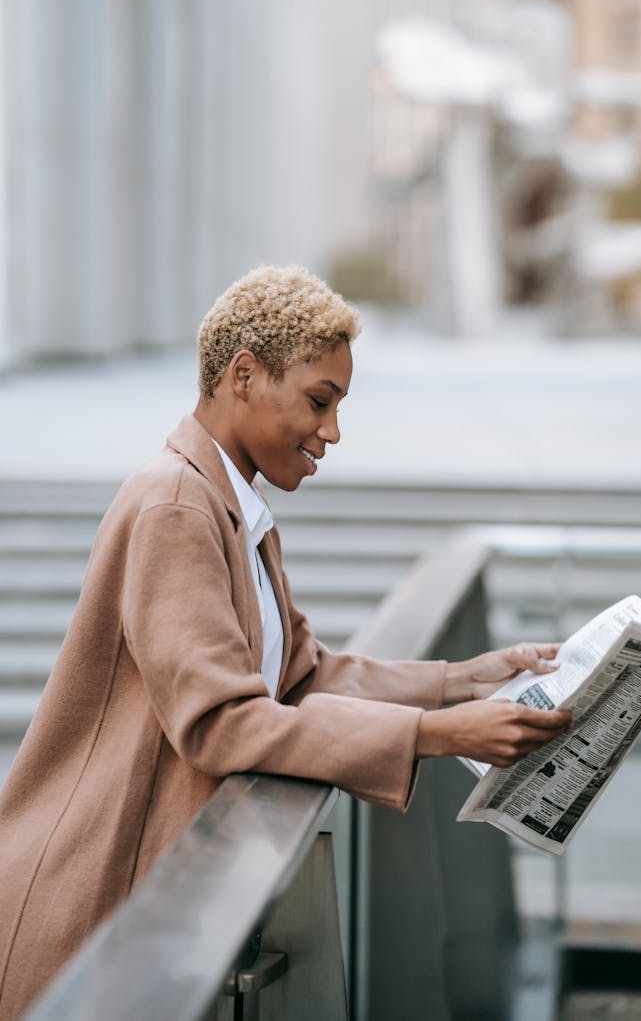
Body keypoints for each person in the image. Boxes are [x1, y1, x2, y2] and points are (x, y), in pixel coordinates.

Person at [0, 266, 571, 1018]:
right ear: (243, 376)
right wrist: (437, 733)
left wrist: (464, 679)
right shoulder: (176, 505)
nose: (332, 432)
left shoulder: (236, 505)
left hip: (145, 891)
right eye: (319, 401)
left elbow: (304, 672)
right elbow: (222, 722)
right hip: (97, 897)